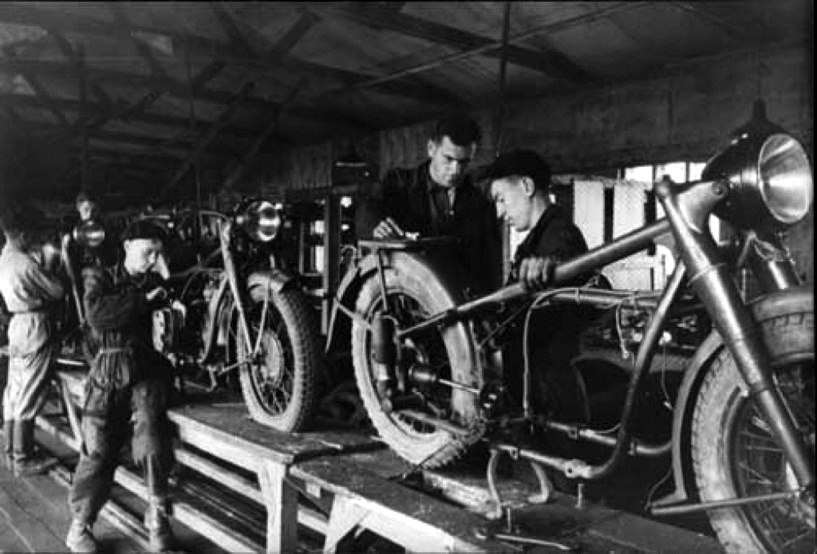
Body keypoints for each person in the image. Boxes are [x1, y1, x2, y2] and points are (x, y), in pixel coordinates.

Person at [66, 220, 179, 553]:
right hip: (107, 371)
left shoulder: (156, 281)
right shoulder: (98, 276)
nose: (153, 259)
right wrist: (143, 299)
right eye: (148, 251)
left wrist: (166, 282)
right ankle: (80, 525)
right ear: (128, 246)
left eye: (158, 253)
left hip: (146, 371)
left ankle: (157, 517)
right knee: (98, 449)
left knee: (152, 437)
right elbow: (98, 315)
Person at [483, 149, 593, 423]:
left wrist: (550, 264)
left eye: (501, 199)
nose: (499, 212)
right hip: (538, 388)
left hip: (551, 394)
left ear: (527, 186)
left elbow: (565, 257)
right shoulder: (537, 238)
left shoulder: (560, 233)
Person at [358, 113, 502, 295]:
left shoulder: (479, 202)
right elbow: (366, 210)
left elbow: (491, 266)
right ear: (431, 148)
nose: (455, 170)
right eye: (448, 159)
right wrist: (376, 227)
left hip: (460, 299)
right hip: (406, 299)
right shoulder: (399, 184)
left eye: (464, 162)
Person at [0, 204, 65, 476]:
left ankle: (10, 450)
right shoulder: (25, 263)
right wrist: (53, 265)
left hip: (17, 325)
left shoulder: (5, 257)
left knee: (14, 390)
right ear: (23, 235)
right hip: (34, 325)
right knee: (30, 391)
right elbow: (57, 291)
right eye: (33, 235)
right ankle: (23, 457)